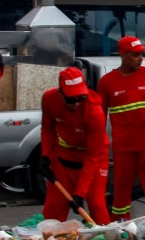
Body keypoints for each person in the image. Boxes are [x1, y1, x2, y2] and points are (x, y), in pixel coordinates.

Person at [96, 36, 145, 221]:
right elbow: (100, 116)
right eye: (135, 54)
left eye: (142, 54)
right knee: (121, 191)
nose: (141, 58)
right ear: (123, 55)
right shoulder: (107, 82)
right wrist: (98, 146)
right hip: (124, 148)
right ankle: (122, 228)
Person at [39, 66, 110, 224]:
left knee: (96, 205)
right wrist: (45, 156)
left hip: (93, 160)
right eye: (71, 99)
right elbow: (47, 128)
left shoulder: (94, 113)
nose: (77, 103)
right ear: (60, 92)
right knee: (53, 209)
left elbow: (93, 156)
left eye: (81, 97)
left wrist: (79, 193)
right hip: (63, 160)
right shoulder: (49, 99)